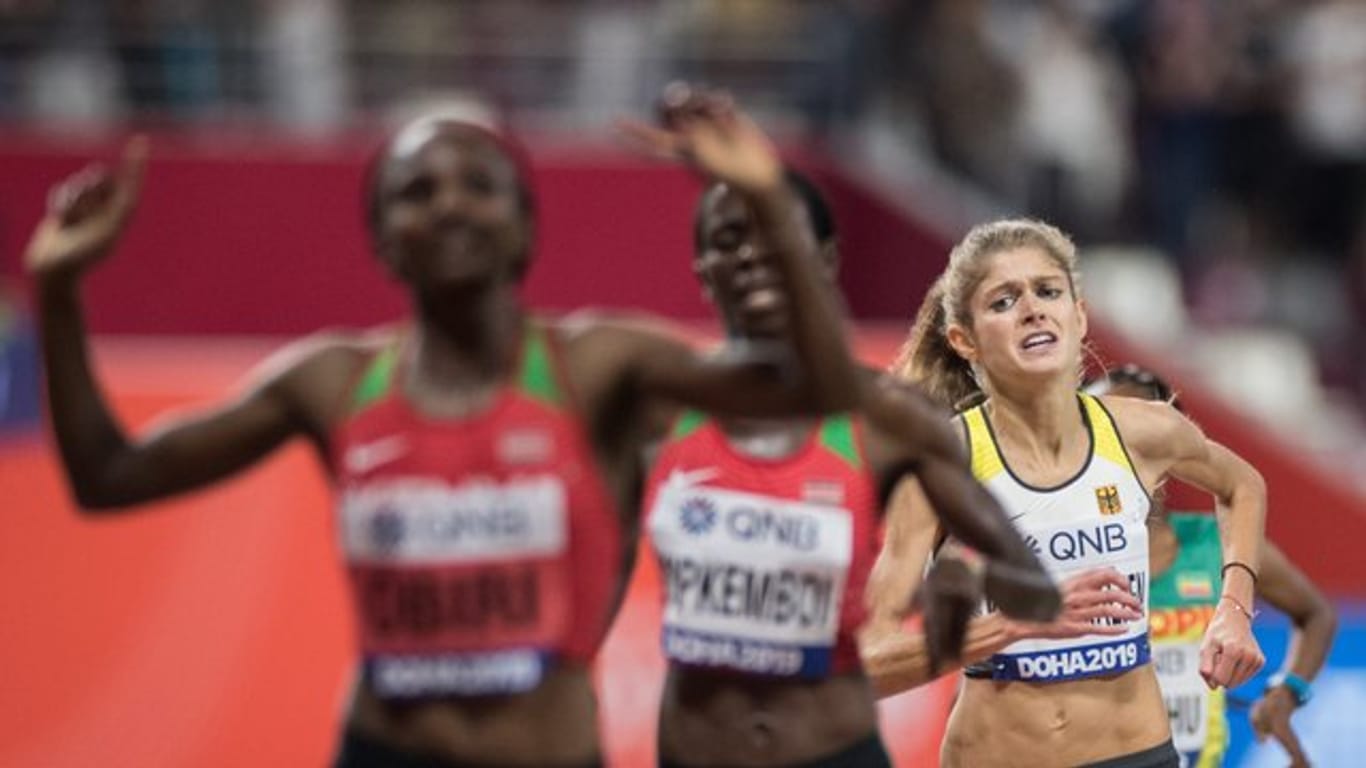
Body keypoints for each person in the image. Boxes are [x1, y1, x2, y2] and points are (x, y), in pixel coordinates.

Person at [23, 91, 861, 767]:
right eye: (417, 192)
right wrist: (58, 295)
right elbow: (109, 477)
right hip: (385, 750)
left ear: (526, 227)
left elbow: (816, 389)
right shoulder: (331, 382)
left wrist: (763, 200)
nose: (450, 204)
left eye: (478, 185)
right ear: (383, 242)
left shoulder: (601, 366)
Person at [634, 153, 1062, 767]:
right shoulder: (654, 410)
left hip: (835, 751)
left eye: (775, 230)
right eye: (731, 238)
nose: (755, 253)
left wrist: (966, 574)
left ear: (826, 261)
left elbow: (1037, 592)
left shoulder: (889, 419)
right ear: (703, 271)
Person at [876, 218, 1267, 767]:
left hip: (1135, 754)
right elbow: (865, 662)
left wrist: (1233, 608)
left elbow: (1242, 484)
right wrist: (1008, 627)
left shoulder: (1144, 431)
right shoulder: (941, 464)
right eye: (1004, 300)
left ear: (1079, 316)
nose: (1033, 308)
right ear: (964, 340)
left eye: (1048, 290)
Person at [1086, 364, 1338, 768]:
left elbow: (1315, 614)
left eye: (1142, 431)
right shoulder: (1060, 552)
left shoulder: (1219, 544)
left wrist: (1285, 693)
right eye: (1109, 432)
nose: (1127, 449)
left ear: (1176, 444)